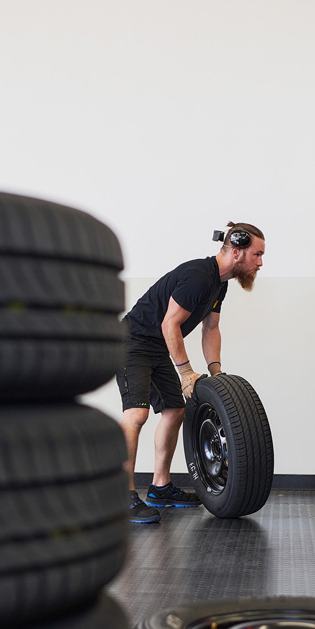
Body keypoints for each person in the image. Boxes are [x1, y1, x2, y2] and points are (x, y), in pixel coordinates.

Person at [118, 222, 266, 523]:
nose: (260, 263)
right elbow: (169, 324)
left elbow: (211, 328)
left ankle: (160, 487)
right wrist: (186, 372)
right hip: (132, 343)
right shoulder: (199, 276)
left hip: (158, 347)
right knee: (137, 414)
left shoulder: (219, 283)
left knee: (175, 410)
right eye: (257, 254)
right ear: (236, 252)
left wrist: (216, 372)